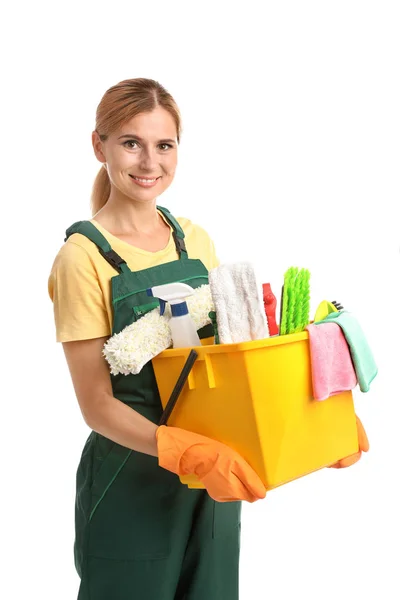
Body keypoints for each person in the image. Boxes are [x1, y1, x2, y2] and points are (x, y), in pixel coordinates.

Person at [48, 77, 369, 600]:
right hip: (133, 477)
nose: (149, 162)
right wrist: (182, 449)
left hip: (216, 476)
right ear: (98, 146)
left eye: (164, 145)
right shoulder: (81, 258)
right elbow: (95, 404)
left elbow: (231, 362)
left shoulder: (193, 241)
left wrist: (314, 421)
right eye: (131, 143)